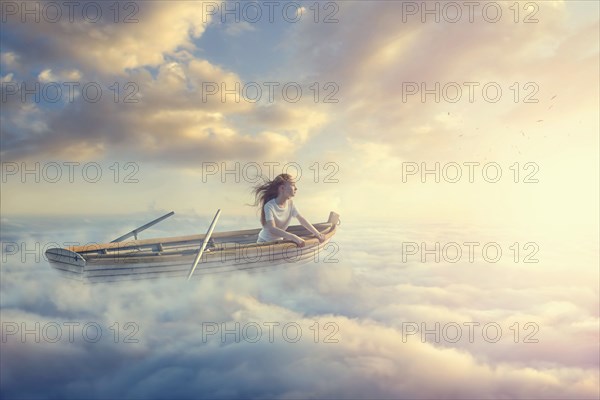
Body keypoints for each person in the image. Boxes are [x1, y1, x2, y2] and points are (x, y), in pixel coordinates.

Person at [252, 174, 326, 246]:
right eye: (293, 185)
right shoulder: (269, 206)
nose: (296, 188)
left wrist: (317, 234)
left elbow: (301, 219)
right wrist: (293, 237)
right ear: (282, 188)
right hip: (264, 242)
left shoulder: (290, 203)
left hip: (279, 242)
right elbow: (272, 228)